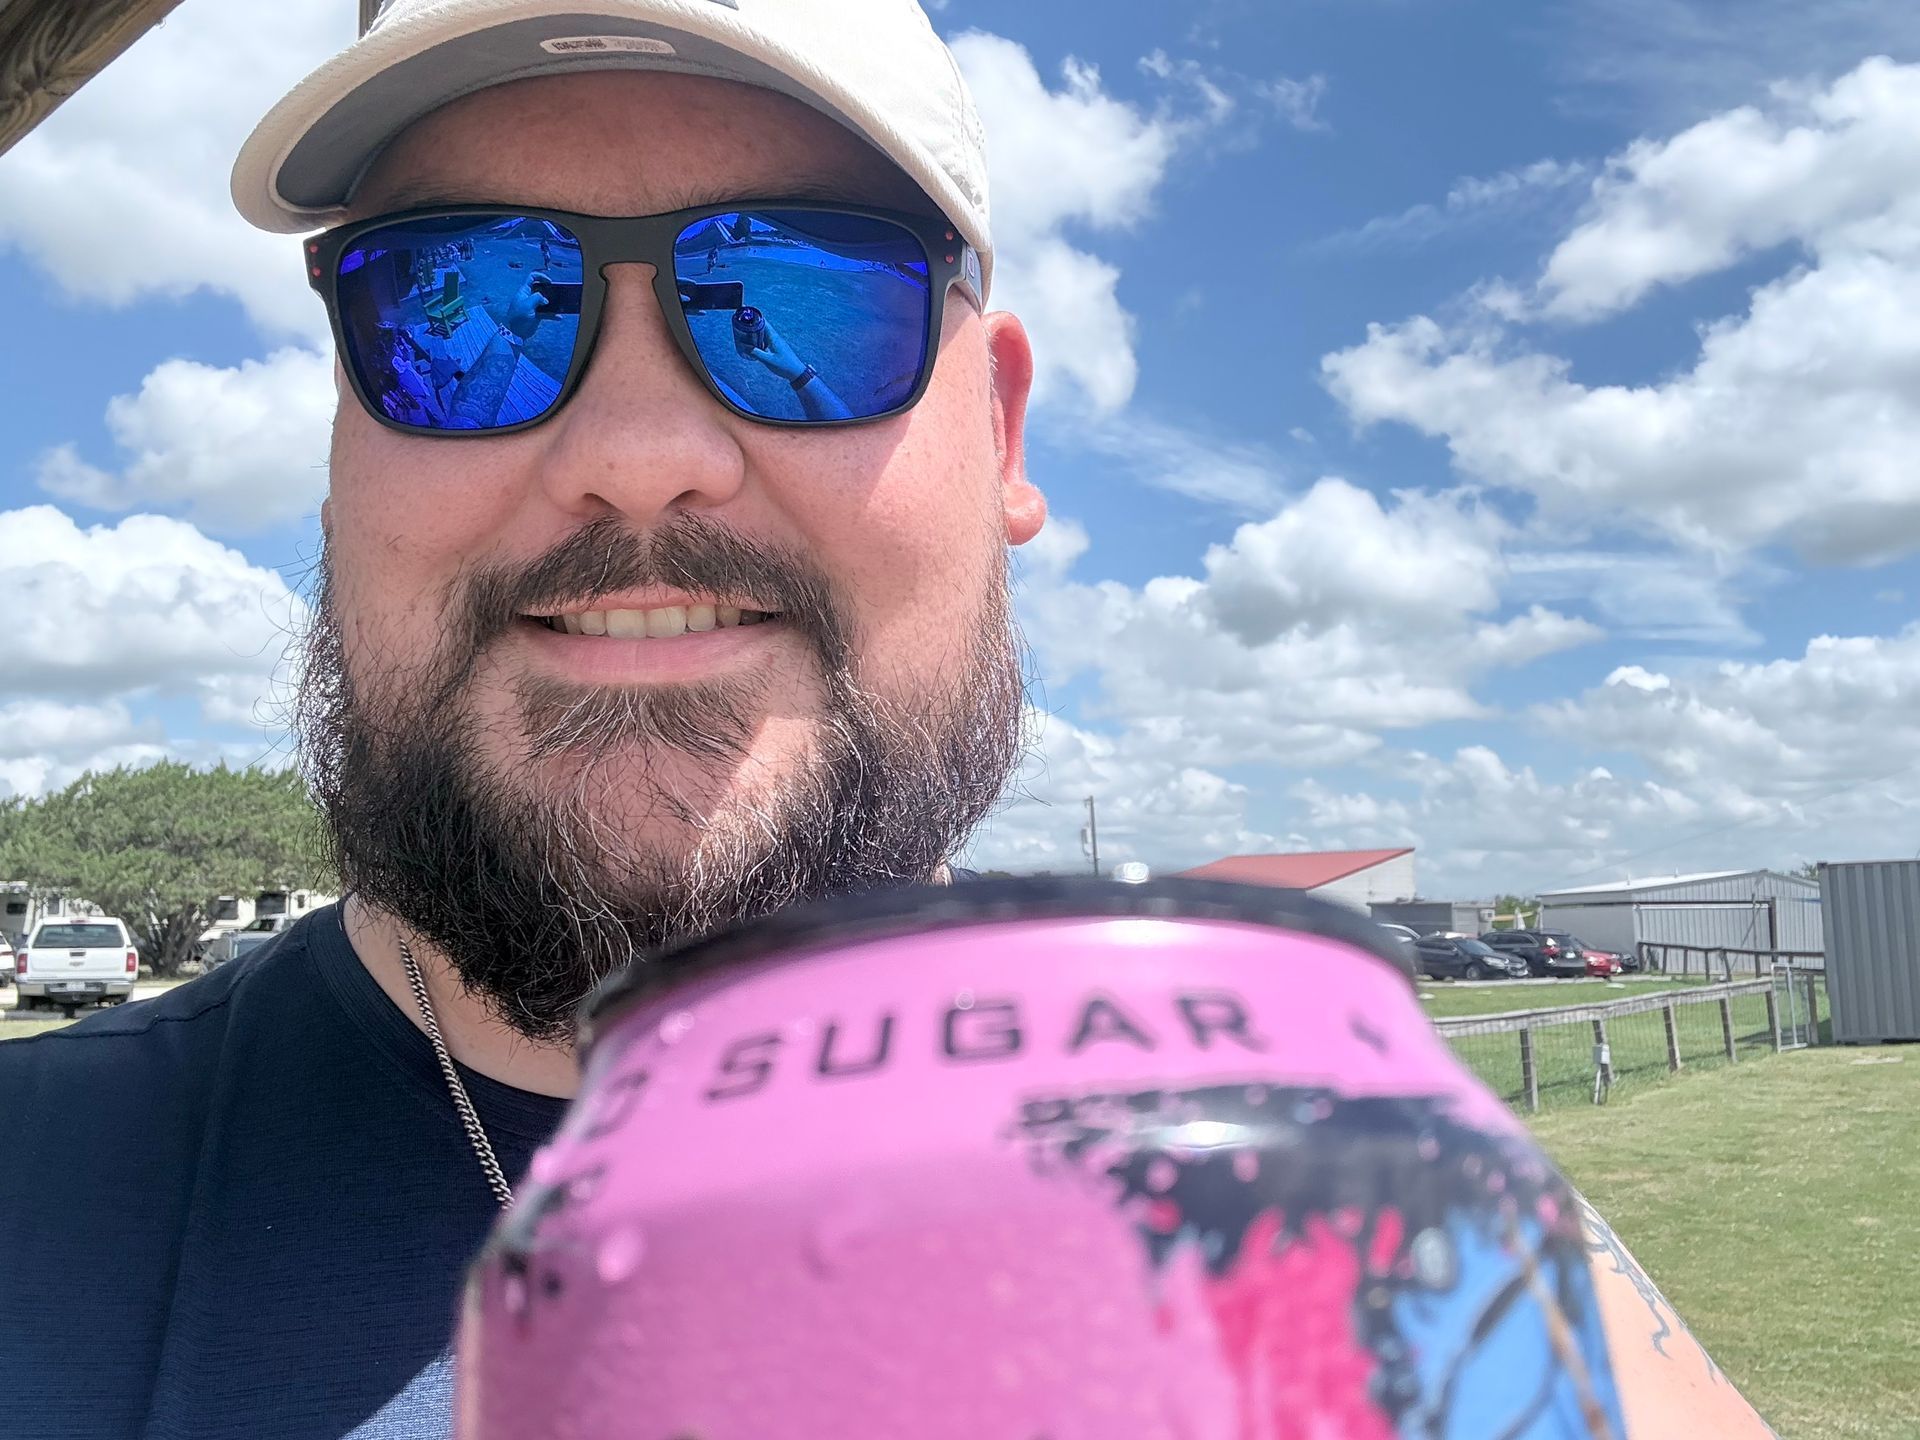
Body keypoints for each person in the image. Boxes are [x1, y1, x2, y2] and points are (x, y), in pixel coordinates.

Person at [0, 3, 1774, 1440]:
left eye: (797, 299)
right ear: (335, 429)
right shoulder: (39, 1214)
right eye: (452, 306)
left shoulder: (1374, 1202)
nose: (634, 452)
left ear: (999, 437)